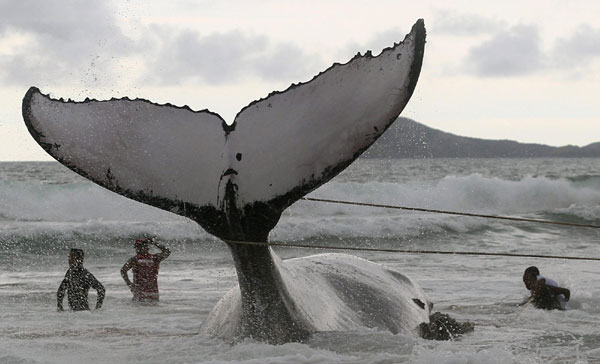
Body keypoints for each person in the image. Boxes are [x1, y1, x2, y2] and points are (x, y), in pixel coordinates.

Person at [121, 237, 170, 303]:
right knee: (152, 310)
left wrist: (130, 284)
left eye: (138, 247)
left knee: (139, 310)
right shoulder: (154, 258)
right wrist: (153, 243)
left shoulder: (135, 259)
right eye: (136, 247)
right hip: (151, 293)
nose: (137, 249)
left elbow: (123, 271)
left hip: (142, 293)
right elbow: (167, 251)